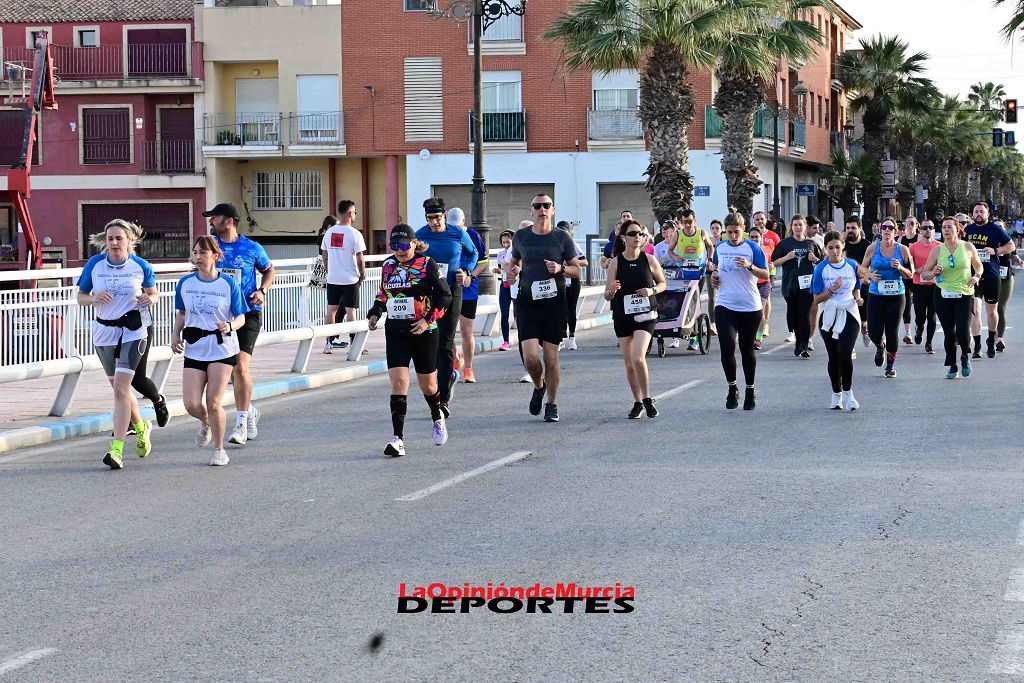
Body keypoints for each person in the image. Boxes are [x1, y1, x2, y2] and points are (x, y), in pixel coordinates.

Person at [76, 220, 159, 469]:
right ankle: (142, 426)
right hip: (104, 332)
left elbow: (153, 294)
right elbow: (80, 298)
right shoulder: (95, 265)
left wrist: (149, 298)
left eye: (118, 238)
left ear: (129, 241)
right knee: (120, 391)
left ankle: (117, 449)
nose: (114, 243)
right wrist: (93, 298)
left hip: (133, 332)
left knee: (122, 389)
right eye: (110, 238)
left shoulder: (140, 265)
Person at [367, 224, 453, 456]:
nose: (400, 250)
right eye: (395, 246)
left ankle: (437, 416)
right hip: (396, 330)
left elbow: (445, 295)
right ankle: (398, 439)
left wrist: (427, 320)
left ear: (414, 243)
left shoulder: (427, 264)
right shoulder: (388, 265)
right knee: (398, 383)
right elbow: (384, 293)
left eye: (404, 245)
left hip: (424, 330)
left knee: (428, 385)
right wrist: (375, 312)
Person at [171, 236, 248, 467]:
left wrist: (230, 326)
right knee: (191, 404)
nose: (198, 257)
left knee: (214, 402)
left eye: (203, 253)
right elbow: (182, 314)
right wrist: (175, 334)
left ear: (215, 255)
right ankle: (207, 423)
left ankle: (219, 450)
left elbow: (241, 317)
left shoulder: (227, 284)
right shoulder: (185, 283)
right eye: (195, 253)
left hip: (222, 348)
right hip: (195, 348)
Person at [204, 202, 275, 446]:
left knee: (240, 367)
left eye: (215, 218)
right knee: (228, 371)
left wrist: (262, 290)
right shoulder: (211, 248)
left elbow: (269, 271)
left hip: (248, 312)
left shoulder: (251, 248)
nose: (211, 222)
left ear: (229, 221)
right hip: (219, 316)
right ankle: (250, 409)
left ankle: (242, 423)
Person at [510, 193, 581, 423]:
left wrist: (560, 269)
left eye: (546, 206)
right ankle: (538, 386)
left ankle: (552, 404)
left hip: (554, 303)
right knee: (531, 358)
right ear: (531, 210)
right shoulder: (521, 237)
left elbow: (577, 270)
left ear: (553, 210)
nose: (542, 209)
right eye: (537, 206)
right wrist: (512, 272)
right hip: (528, 303)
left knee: (551, 359)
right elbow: (516, 262)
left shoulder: (562, 238)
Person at [415, 198, 478, 417]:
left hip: (451, 291)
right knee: (430, 343)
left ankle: (441, 400)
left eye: (437, 218)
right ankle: (444, 380)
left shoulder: (457, 233)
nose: (434, 223)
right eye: (430, 218)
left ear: (445, 215)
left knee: (445, 343)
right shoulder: (420, 235)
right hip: (428, 295)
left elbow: (473, 254)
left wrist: (466, 271)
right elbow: (410, 260)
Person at [605, 221, 666, 418]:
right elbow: (607, 294)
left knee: (638, 357)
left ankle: (647, 398)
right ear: (624, 238)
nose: (637, 237)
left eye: (640, 233)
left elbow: (663, 283)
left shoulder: (649, 259)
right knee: (629, 363)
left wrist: (652, 290)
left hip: (646, 314)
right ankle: (637, 401)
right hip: (623, 315)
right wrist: (611, 291)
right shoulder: (615, 262)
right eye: (632, 234)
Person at [710, 213, 769, 410]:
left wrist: (749, 266)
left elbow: (765, 274)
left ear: (743, 230)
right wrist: (714, 278)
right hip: (725, 304)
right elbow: (717, 270)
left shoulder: (752, 247)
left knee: (746, 349)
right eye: (730, 232)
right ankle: (732, 387)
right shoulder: (720, 247)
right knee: (727, 347)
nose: (733, 236)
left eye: (737, 232)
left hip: (750, 307)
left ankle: (750, 390)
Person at [921, 217, 983, 378]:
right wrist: (933, 272)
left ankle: (964, 356)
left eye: (949, 227)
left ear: (957, 229)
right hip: (943, 294)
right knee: (949, 333)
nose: (946, 230)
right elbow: (925, 273)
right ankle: (953, 365)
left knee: (962, 330)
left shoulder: (968, 247)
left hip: (965, 293)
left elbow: (978, 265)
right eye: (943, 227)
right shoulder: (937, 250)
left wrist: (976, 276)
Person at [810, 231, 864, 410]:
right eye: (830, 248)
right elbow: (817, 299)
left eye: (838, 247)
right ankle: (836, 394)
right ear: (825, 249)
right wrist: (832, 289)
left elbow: (856, 287)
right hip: (829, 313)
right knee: (833, 356)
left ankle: (849, 394)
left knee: (844, 352)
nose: (834, 251)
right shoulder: (821, 269)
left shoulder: (851, 265)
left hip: (849, 311)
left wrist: (858, 298)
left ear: (843, 247)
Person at [859, 217, 913, 378]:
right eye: (885, 227)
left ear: (895, 231)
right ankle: (880, 345)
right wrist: (869, 275)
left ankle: (890, 365)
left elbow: (911, 274)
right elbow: (862, 269)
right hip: (876, 294)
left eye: (891, 227)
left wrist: (900, 267)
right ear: (881, 230)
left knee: (892, 330)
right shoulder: (872, 248)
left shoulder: (903, 250)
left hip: (896, 295)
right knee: (874, 331)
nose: (887, 230)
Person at [963, 201, 1015, 358]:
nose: (978, 214)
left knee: (992, 312)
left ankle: (991, 339)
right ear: (972, 214)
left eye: (981, 211)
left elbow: (1011, 245)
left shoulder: (995, 229)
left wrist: (996, 250)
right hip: (973, 276)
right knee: (975, 311)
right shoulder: (968, 229)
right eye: (976, 211)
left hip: (992, 275)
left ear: (988, 214)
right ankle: (977, 345)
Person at [772, 214, 824, 358]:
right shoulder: (785, 244)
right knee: (794, 314)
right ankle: (798, 342)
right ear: (792, 227)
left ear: (805, 227)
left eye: (800, 225)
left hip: (807, 285)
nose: (798, 227)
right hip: (790, 284)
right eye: (795, 225)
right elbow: (773, 263)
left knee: (805, 314)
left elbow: (822, 263)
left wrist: (815, 259)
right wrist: (786, 258)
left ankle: (804, 344)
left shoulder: (811, 244)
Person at [447, 207, 488, 383]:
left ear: (464, 222)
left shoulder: (473, 235)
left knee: (466, 330)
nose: (455, 229)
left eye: (458, 225)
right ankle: (456, 358)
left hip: (468, 289)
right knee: (447, 330)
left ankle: (469, 368)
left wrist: (471, 275)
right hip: (447, 288)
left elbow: (483, 262)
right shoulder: (443, 235)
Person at [321, 200, 366, 354]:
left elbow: (324, 255)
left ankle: (329, 343)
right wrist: (362, 275)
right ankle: (353, 344)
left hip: (333, 278)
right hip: (350, 279)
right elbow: (360, 258)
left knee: (331, 310)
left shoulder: (329, 232)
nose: (355, 215)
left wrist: (329, 271)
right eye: (354, 212)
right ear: (349, 213)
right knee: (351, 311)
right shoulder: (355, 233)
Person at [672, 212, 714, 350]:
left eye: (690, 221)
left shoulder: (701, 233)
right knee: (682, 302)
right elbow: (669, 250)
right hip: (683, 272)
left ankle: (695, 337)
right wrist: (675, 257)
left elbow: (710, 246)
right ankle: (680, 331)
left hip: (698, 272)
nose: (688, 225)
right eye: (685, 222)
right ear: (681, 222)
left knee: (694, 302)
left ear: (694, 220)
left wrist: (710, 259)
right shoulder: (678, 234)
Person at [909, 220, 939, 353]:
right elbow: (908, 265)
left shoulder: (939, 246)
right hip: (919, 285)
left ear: (933, 230)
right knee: (920, 316)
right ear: (920, 230)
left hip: (934, 284)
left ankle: (929, 343)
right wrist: (917, 269)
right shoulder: (913, 247)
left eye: (930, 227)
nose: (928, 230)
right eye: (925, 227)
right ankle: (919, 328)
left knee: (932, 316)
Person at [557, 221, 588, 350]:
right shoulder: (553, 245)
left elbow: (585, 261)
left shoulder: (573, 245)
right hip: (559, 280)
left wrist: (571, 262)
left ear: (570, 233)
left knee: (571, 308)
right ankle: (559, 338)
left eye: (565, 232)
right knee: (559, 309)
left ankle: (572, 337)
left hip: (572, 279)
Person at [842, 215, 870, 349]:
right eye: (848, 228)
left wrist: (866, 278)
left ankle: (865, 331)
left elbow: (871, 267)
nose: (850, 231)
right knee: (848, 319)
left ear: (860, 228)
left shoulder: (867, 245)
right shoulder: (842, 245)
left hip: (863, 285)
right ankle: (850, 346)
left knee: (863, 320)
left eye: (853, 228)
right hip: (845, 287)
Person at [747, 227, 771, 350]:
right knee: (749, 313)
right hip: (750, 284)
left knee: (759, 311)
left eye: (757, 236)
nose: (754, 239)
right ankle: (748, 335)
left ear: (761, 238)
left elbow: (772, 264)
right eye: (752, 237)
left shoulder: (766, 249)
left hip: (763, 283)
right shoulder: (746, 250)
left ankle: (758, 338)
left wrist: (771, 266)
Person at [898, 216, 920, 344]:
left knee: (917, 303)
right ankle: (908, 333)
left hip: (917, 275)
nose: (910, 225)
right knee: (906, 302)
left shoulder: (919, 238)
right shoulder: (901, 239)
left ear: (916, 225)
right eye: (908, 223)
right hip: (905, 274)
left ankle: (919, 325)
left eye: (913, 223)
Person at [494, 229, 516, 351]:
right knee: (504, 313)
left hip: (516, 285)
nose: (506, 245)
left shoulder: (517, 253)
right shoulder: (500, 254)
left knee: (519, 313)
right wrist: (498, 270)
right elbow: (501, 268)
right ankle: (506, 341)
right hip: (504, 284)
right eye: (503, 243)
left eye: (508, 242)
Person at [705, 218, 724, 335]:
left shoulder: (724, 241)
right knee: (712, 297)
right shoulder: (708, 241)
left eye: (717, 228)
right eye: (712, 228)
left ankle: (722, 322)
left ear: (721, 230)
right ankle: (713, 323)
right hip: (710, 271)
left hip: (724, 271)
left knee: (723, 297)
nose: (715, 230)